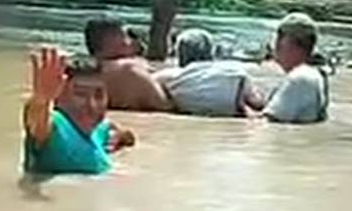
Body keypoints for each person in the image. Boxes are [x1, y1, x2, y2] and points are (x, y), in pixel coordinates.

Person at [23, 47, 136, 175]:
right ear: (58, 95)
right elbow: (36, 118)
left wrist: (121, 137)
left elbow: (112, 128)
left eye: (99, 95)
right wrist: (42, 98)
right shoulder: (56, 129)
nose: (92, 105)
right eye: (80, 94)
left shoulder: (96, 132)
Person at [155, 29, 265, 118]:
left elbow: (148, 87)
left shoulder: (171, 76)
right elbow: (257, 102)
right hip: (231, 107)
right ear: (211, 51)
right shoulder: (234, 72)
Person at [84, 17, 175, 112]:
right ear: (121, 42)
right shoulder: (129, 70)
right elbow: (164, 104)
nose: (132, 40)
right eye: (126, 36)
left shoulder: (86, 74)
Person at [264, 13, 329, 124]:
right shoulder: (315, 75)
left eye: (278, 39)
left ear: (285, 41)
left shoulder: (300, 78)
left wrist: (242, 106)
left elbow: (264, 124)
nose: (274, 48)